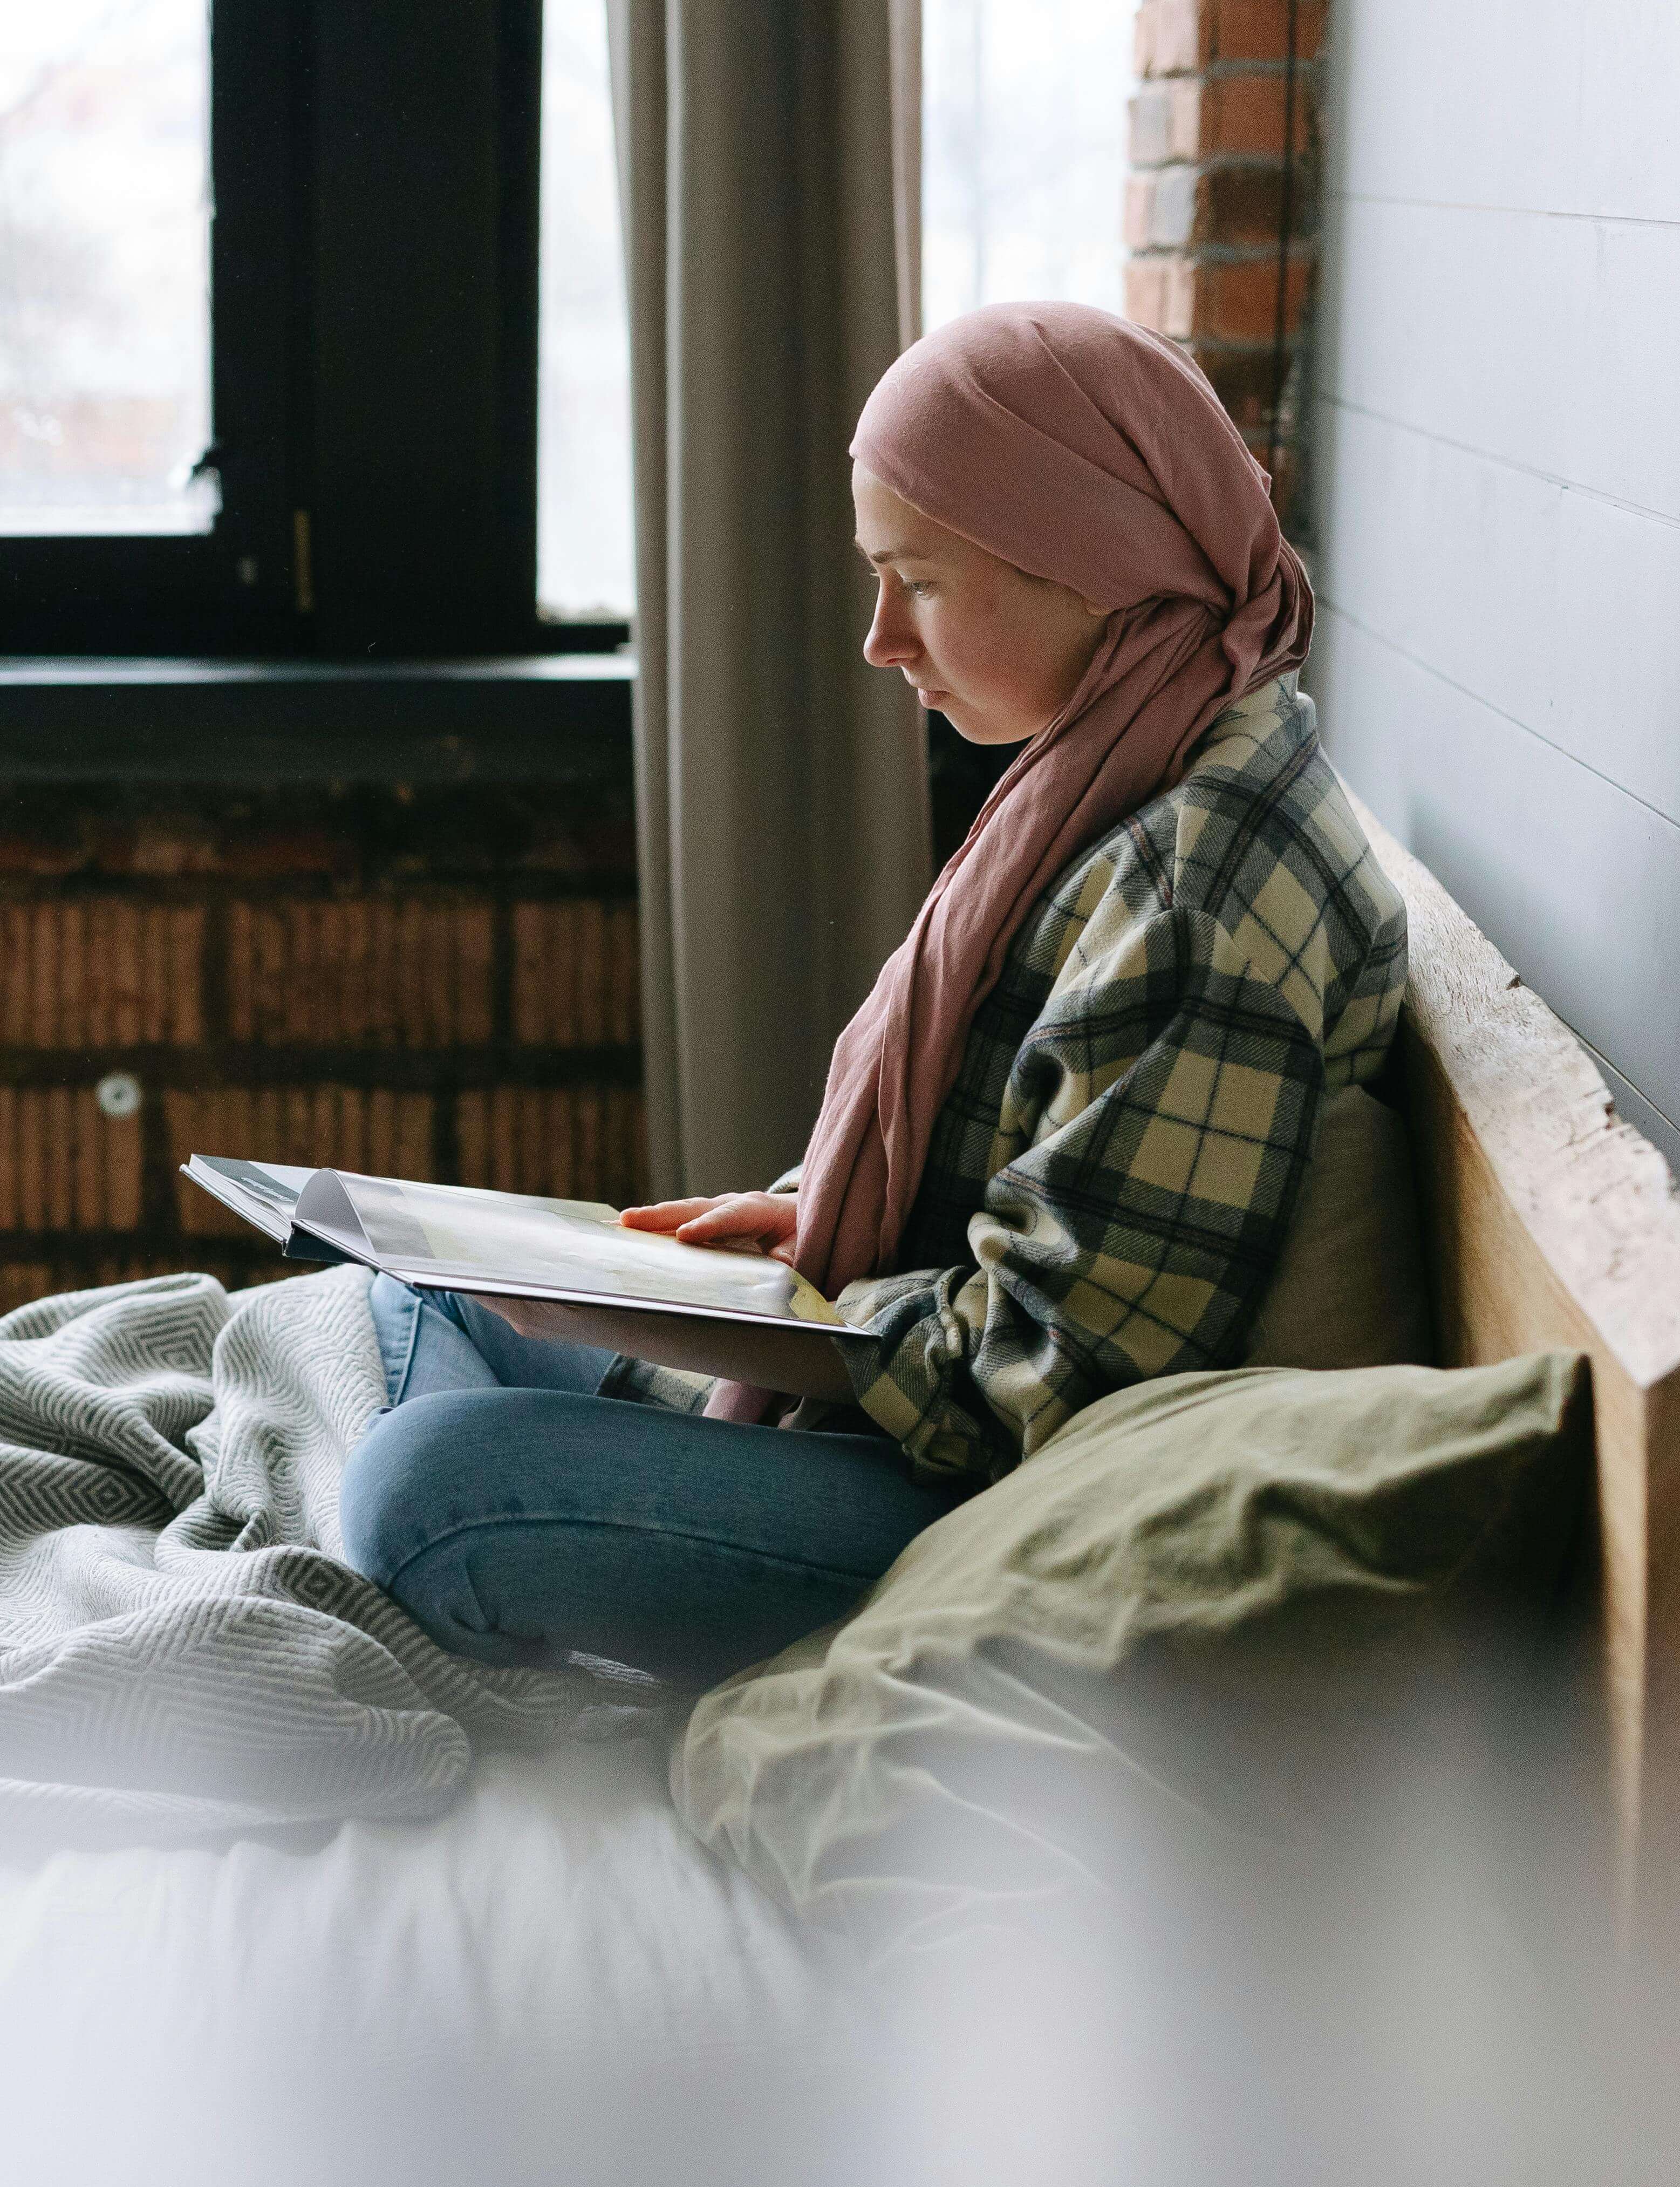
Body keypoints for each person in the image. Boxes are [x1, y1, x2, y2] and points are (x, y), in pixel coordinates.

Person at [337, 301, 1409, 1688]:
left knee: (424, 1483)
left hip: (991, 1515)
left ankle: (568, 1575)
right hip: (922, 1408)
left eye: (920, 580)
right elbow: (1048, 1179)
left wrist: (814, 1311)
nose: (880, 640)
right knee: (420, 1291)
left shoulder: (1201, 894)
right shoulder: (1132, 761)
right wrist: (820, 1229)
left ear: (1094, 564)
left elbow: (1054, 1383)